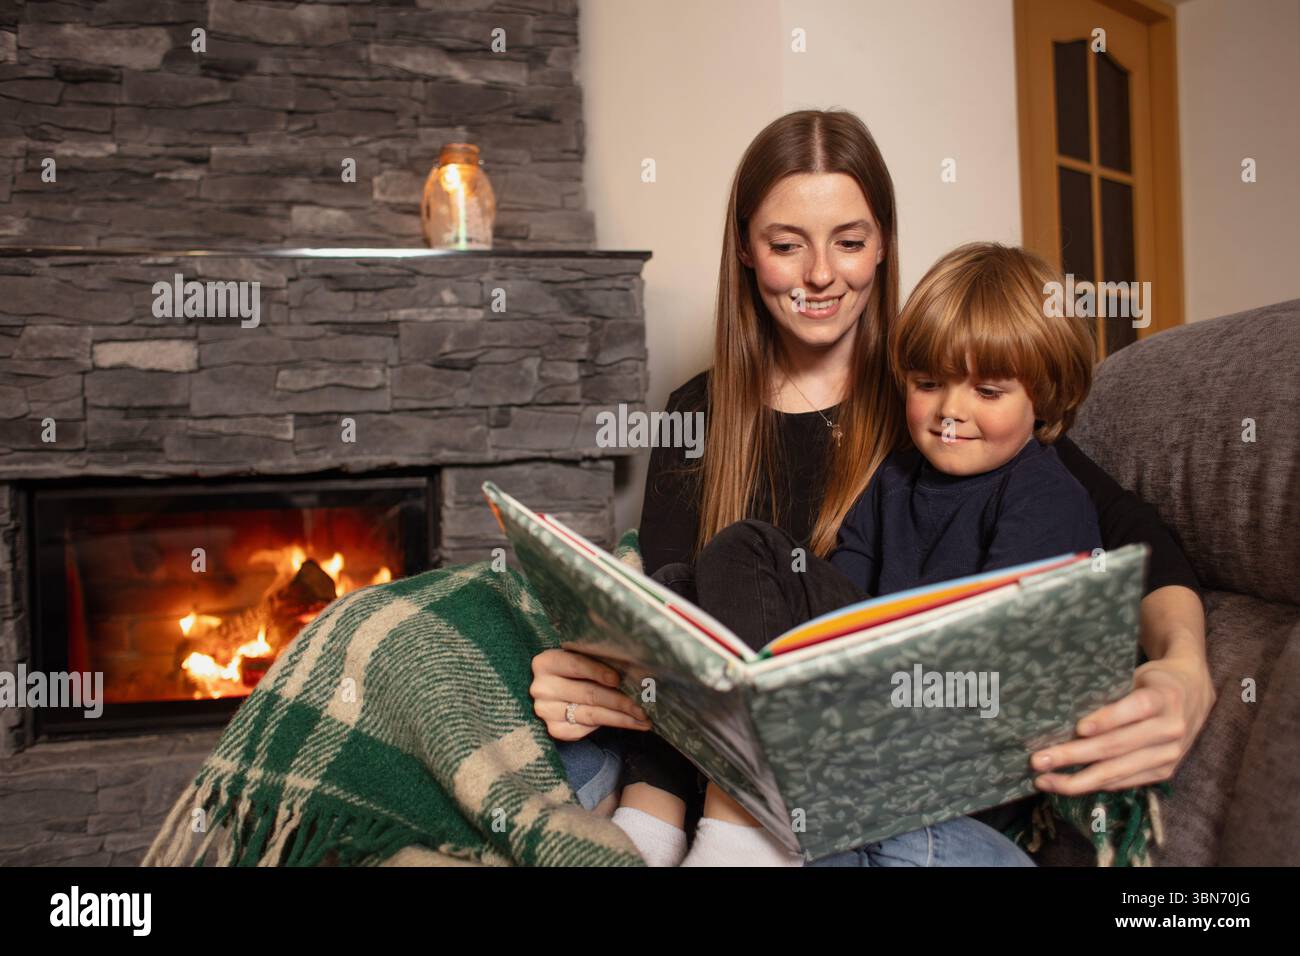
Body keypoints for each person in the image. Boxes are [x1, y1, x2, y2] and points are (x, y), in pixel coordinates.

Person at [528, 109, 1215, 866]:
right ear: (747, 252)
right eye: (787, 244)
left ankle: (737, 832)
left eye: (850, 242)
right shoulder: (699, 413)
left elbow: (1127, 533)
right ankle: (653, 831)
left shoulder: (932, 397)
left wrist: (1184, 665)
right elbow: (669, 610)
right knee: (677, 595)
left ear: (883, 244)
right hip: (721, 740)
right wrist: (598, 663)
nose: (822, 273)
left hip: (885, 744)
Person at [629, 241, 1101, 865]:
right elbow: (835, 600)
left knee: (747, 546)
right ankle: (653, 828)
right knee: (683, 582)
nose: (951, 411)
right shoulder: (896, 478)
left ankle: (745, 820)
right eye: (929, 384)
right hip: (870, 699)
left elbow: (993, 665)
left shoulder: (1044, 495)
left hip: (955, 740)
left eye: (987, 392)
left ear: (1043, 396)